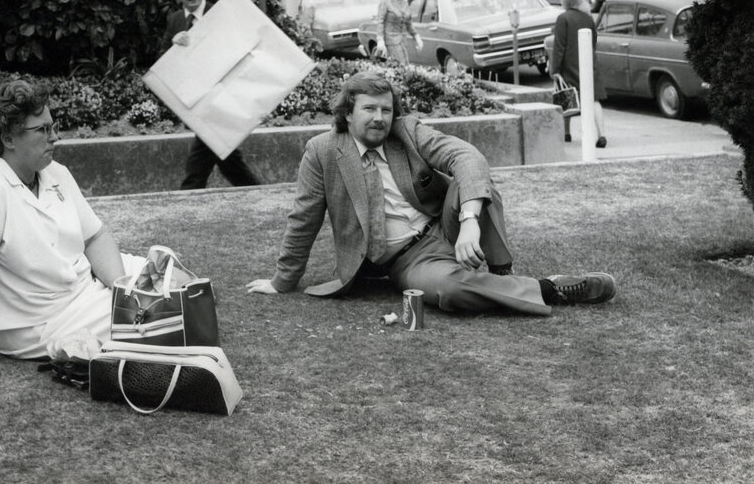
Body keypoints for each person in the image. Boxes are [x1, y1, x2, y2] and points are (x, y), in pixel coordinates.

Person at [247, 71, 616, 315]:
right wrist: (283, 281)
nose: (380, 118)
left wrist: (469, 220)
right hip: (406, 261)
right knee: (449, 292)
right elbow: (304, 218)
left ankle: (502, 270)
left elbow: (466, 157)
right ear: (346, 114)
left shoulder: (407, 131)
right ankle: (551, 289)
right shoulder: (322, 152)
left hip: (445, 225)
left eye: (386, 110)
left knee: (476, 184)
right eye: (369, 109)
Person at [0, 79, 151, 386]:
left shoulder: (55, 173)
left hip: (81, 290)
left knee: (169, 275)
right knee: (163, 313)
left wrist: (120, 288)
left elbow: (94, 237)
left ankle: (137, 307)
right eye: (42, 130)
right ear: (8, 138)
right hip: (42, 323)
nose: (55, 137)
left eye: (53, 127)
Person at [160, 0, 262, 190]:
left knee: (206, 150)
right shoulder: (175, 20)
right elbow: (161, 61)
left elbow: (238, 52)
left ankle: (189, 191)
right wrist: (173, 45)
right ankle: (253, 189)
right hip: (195, 98)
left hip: (221, 96)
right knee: (225, 156)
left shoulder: (219, 14)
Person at [551, 0, 608, 148]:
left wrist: (555, 69)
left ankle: (566, 133)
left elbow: (559, 46)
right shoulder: (588, 17)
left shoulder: (563, 18)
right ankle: (601, 134)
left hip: (569, 64)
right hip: (588, 62)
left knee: (567, 97)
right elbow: (593, 41)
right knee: (594, 99)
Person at [376, 0, 423, 64]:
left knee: (405, 64)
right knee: (401, 65)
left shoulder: (405, 2)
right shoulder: (385, 1)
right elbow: (380, 21)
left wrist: (417, 37)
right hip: (390, 40)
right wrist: (380, 40)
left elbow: (409, 23)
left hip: (402, 40)